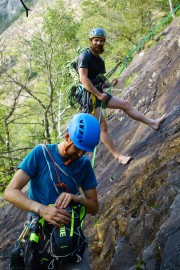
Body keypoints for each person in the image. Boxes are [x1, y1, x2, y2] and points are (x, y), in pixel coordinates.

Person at [4, 113, 101, 270]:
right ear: (67, 136)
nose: (81, 155)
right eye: (78, 149)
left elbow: (94, 208)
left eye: (85, 151)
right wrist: (42, 210)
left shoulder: (84, 165)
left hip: (69, 233)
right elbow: (10, 192)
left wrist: (77, 198)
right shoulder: (40, 154)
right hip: (38, 232)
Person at [76, 27, 166, 164]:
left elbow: (99, 79)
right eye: (96, 40)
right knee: (102, 127)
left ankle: (153, 123)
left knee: (126, 105)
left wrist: (109, 83)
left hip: (99, 93)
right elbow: (83, 79)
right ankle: (118, 157)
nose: (98, 43)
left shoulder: (99, 60)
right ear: (90, 41)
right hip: (90, 98)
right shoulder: (85, 56)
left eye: (101, 41)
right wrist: (99, 94)